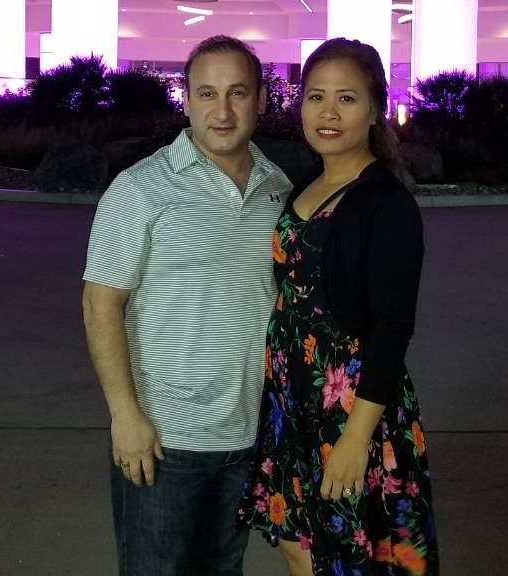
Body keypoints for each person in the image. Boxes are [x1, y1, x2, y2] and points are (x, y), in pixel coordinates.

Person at [82, 35, 293, 576]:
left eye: (237, 93)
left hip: (246, 435)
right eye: (207, 93)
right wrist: (125, 416)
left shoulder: (277, 187)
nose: (222, 111)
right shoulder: (140, 189)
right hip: (164, 439)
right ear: (187, 100)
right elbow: (100, 305)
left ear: (261, 100)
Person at [239, 37, 438, 575]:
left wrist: (355, 439)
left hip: (352, 409)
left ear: (374, 110)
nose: (328, 112)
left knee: (349, 555)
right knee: (297, 544)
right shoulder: (306, 186)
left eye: (346, 99)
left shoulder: (385, 203)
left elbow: (392, 330)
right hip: (294, 401)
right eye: (316, 96)